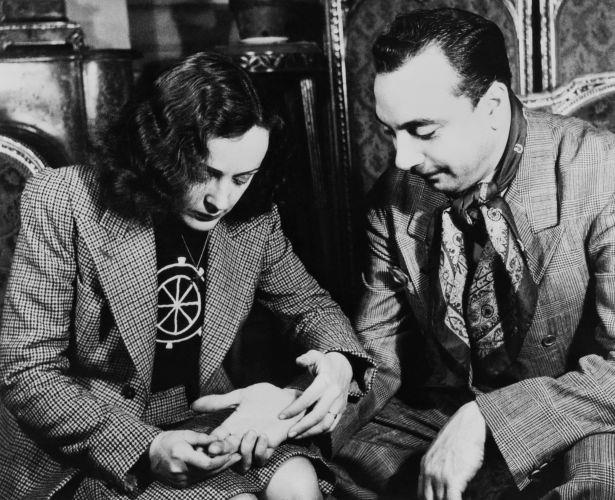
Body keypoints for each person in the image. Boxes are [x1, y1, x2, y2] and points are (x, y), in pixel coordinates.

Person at [0, 51, 374, 500]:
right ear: (160, 152)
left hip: (199, 415)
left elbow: (309, 306)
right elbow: (27, 370)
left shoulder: (255, 219)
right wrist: (145, 447)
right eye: (206, 173)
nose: (221, 200)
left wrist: (338, 362)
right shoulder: (64, 199)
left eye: (242, 178)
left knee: (298, 483)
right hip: (92, 437)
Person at [331, 7, 615, 500]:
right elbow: (377, 356)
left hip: (577, 413)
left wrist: (491, 418)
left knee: (602, 478)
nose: (402, 159)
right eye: (389, 132)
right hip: (444, 411)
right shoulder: (396, 193)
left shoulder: (602, 172)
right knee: (316, 458)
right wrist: (294, 409)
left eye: (424, 131)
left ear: (492, 106)